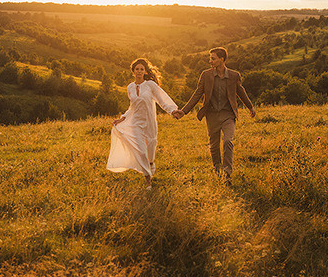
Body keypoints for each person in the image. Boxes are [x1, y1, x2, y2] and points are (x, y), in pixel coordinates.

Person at [173, 47, 255, 185]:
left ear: (222, 59)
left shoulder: (234, 75)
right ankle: (217, 169)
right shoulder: (206, 75)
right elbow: (197, 94)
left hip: (228, 115)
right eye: (210, 58)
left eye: (213, 58)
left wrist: (250, 107)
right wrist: (184, 111)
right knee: (214, 146)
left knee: (228, 141)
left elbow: (241, 92)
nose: (210, 61)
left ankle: (227, 174)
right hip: (211, 115)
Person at [107, 58, 178, 189]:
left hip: (150, 123)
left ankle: (151, 164)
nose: (139, 71)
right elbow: (132, 107)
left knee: (150, 150)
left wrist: (172, 110)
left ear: (145, 71)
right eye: (137, 69)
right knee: (141, 152)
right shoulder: (130, 87)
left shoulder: (150, 85)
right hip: (135, 123)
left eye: (141, 69)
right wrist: (122, 118)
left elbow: (162, 100)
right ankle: (148, 181)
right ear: (133, 71)